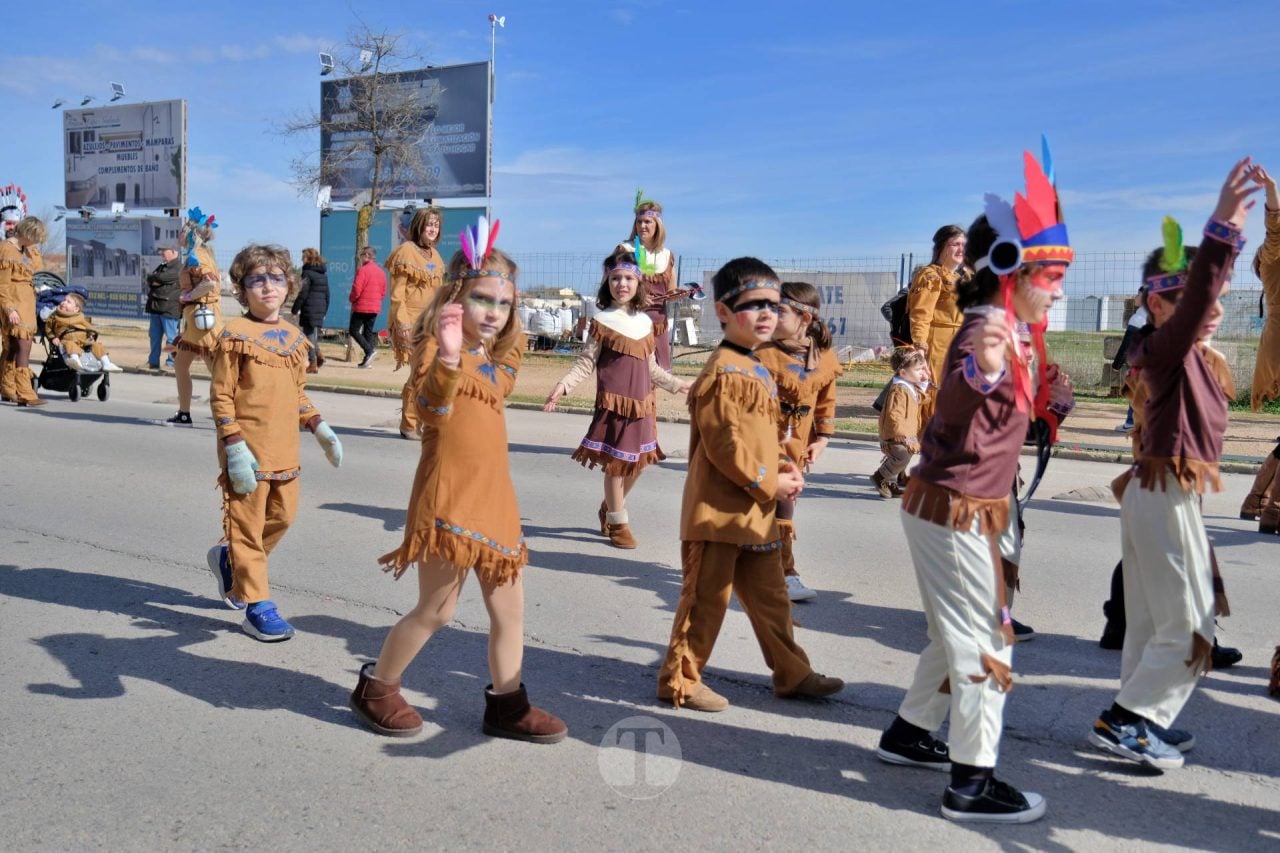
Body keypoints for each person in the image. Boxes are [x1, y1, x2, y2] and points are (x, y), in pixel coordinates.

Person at [877, 148, 1074, 824]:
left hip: (969, 505)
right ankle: (971, 780)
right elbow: (956, 399)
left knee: (950, 628)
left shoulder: (1016, 333)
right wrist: (984, 375)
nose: (1058, 288)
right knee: (988, 638)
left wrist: (1050, 396)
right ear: (1012, 270)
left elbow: (1012, 412)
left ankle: (909, 731)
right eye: (1051, 274)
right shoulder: (984, 331)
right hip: (953, 507)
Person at [350, 222, 567, 743]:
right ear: (455, 298)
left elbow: (510, 363)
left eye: (504, 303)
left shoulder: (495, 365)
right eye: (482, 299)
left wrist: (505, 332)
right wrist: (448, 355)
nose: (494, 311)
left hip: (496, 501)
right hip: (448, 498)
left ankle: (507, 706)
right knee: (438, 610)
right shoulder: (435, 350)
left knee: (509, 612)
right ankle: (377, 687)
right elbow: (430, 408)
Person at [1088, 158, 1260, 771]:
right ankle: (1131, 721)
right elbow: (1197, 297)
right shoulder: (1168, 345)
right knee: (1193, 624)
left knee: (1155, 618)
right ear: (1157, 304)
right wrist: (1223, 228)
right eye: (1179, 294)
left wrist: (1222, 258)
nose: (1204, 304)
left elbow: (1205, 297)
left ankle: (1140, 713)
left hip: (1157, 491)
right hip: (1162, 492)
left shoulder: (1188, 349)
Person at [656, 256, 844, 712]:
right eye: (753, 304)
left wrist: (785, 465)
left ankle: (792, 673)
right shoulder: (724, 370)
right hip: (718, 513)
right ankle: (678, 680)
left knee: (773, 600)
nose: (766, 314)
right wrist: (769, 483)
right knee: (705, 601)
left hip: (756, 514)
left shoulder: (756, 366)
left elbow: (763, 434)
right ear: (722, 311)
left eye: (774, 305)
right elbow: (726, 448)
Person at [1097, 230, 1242, 672]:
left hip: (1167, 467)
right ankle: (1197, 638)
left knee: (1148, 550)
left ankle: (1121, 626)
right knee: (1183, 554)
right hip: (1168, 468)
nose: (1217, 307)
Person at [205, 244, 344, 641]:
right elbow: (221, 396)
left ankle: (230, 558)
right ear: (242, 289)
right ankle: (256, 605)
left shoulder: (294, 338)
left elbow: (298, 395)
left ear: (289, 286)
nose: (268, 287)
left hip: (285, 451)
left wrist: (320, 428)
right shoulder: (234, 336)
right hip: (245, 451)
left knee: (282, 518)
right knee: (247, 527)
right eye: (257, 280)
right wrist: (233, 446)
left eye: (276, 278)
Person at [543, 250, 690, 549]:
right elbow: (586, 363)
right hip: (613, 406)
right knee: (616, 466)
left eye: (628, 278)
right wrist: (563, 386)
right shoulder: (602, 320)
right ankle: (618, 523)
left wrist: (678, 384)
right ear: (607, 283)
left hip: (642, 406)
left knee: (637, 465)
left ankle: (609, 508)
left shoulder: (645, 323)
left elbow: (651, 369)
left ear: (638, 284)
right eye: (615, 278)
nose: (621, 284)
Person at [755, 280, 844, 602]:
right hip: (763, 445)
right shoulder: (761, 354)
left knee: (781, 510)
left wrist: (822, 439)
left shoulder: (825, 358)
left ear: (804, 319)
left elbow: (826, 402)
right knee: (778, 506)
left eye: (778, 311)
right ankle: (785, 574)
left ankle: (770, 569)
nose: (769, 316)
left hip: (797, 448)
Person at [1240, 166, 1280, 534]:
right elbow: (1275, 227)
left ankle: (1258, 503)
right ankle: (1271, 511)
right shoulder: (1273, 259)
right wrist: (1271, 190)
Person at [385, 208, 445, 437]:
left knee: (431, 374)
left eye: (436, 225)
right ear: (419, 225)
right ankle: (409, 423)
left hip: (432, 324)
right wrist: (402, 324)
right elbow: (397, 295)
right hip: (411, 322)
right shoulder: (405, 252)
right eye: (429, 224)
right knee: (420, 372)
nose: (433, 229)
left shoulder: (436, 256)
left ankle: (422, 420)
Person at [906, 225, 969, 422]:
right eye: (955, 244)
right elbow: (921, 314)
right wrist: (920, 348)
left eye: (964, 245)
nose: (961, 249)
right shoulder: (931, 276)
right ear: (942, 246)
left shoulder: (962, 277)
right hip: (937, 346)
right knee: (934, 391)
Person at [168, 208, 222, 426]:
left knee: (217, 370)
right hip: (196, 318)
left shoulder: (198, 256)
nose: (179, 236)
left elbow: (210, 282)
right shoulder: (200, 253)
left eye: (182, 232)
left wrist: (188, 295)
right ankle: (184, 413)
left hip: (203, 318)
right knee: (181, 364)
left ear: (192, 234)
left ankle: (231, 413)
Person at [619, 191, 682, 369]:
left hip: (658, 326)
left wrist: (679, 294)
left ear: (658, 225)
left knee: (657, 378)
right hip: (631, 322)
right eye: (639, 221)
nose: (642, 226)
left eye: (648, 221)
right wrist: (636, 297)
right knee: (633, 375)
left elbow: (670, 291)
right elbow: (609, 286)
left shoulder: (667, 255)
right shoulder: (626, 250)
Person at [0, 215, 48, 407]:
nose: (36, 242)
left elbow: (39, 274)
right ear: (27, 233)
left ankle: (7, 387)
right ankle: (25, 392)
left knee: (12, 347)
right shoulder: (5, 249)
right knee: (24, 346)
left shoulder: (30, 251)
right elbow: (2, 285)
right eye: (35, 237)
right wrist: (9, 308)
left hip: (28, 301)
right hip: (13, 302)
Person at [872, 347, 928, 498]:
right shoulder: (899, 391)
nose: (922, 373)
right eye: (918, 370)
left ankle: (891, 483)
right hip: (896, 435)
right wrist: (898, 434)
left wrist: (924, 381)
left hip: (906, 434)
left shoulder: (908, 386)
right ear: (903, 373)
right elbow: (893, 414)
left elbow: (922, 399)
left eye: (922, 369)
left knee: (905, 457)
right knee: (901, 457)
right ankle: (880, 477)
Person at [44, 291, 122, 372]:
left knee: (97, 346)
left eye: (68, 302)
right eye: (64, 300)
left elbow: (88, 326)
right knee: (70, 345)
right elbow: (48, 328)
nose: (64, 303)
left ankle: (106, 363)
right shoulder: (55, 316)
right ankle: (76, 361)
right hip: (66, 340)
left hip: (82, 340)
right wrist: (53, 337)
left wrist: (91, 334)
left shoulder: (80, 317)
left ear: (76, 309)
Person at [292, 248, 330, 375]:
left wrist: (294, 309)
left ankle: (313, 363)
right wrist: (324, 311)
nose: (301, 259)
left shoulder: (307, 273)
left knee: (308, 337)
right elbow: (327, 294)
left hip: (310, 308)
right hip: (320, 308)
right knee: (312, 335)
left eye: (303, 257)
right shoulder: (322, 274)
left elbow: (303, 293)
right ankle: (319, 356)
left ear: (308, 258)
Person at [145, 244, 182, 370]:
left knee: (171, 338)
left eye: (164, 252)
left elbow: (161, 277)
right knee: (154, 337)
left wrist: (156, 279)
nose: (162, 254)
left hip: (169, 308)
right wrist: (154, 279)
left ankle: (171, 363)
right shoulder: (162, 266)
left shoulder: (179, 268)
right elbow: (150, 278)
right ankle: (153, 362)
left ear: (174, 252)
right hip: (156, 307)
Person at [349, 245, 386, 369]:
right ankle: (367, 360)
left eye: (361, 255)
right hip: (375, 306)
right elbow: (383, 291)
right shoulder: (381, 272)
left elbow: (356, 289)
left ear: (367, 256)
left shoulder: (362, 270)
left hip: (362, 306)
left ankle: (369, 350)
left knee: (353, 330)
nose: (360, 258)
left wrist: (352, 299)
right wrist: (377, 301)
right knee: (367, 332)